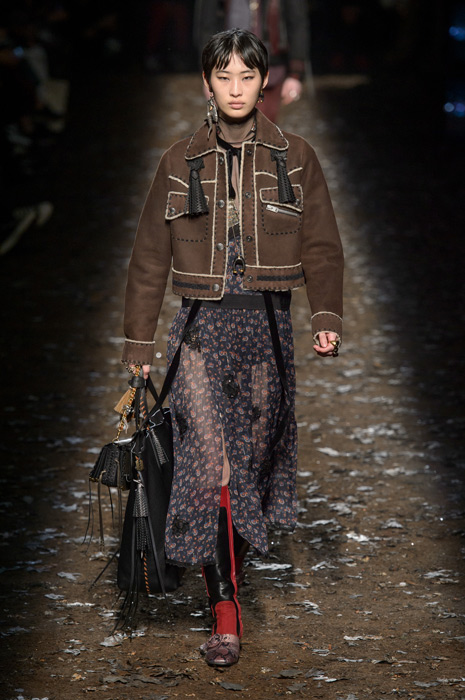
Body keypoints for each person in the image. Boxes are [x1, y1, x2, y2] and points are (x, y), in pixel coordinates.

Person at [122, 28, 343, 667]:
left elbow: (322, 243)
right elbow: (148, 257)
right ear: (208, 82)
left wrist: (326, 315)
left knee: (250, 465)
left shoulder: (296, 157)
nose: (237, 89)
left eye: (247, 76)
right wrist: (138, 341)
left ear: (263, 81)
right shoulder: (179, 160)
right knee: (212, 463)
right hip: (198, 332)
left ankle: (227, 579)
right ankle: (225, 609)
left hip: (267, 330)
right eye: (225, 77)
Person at [194, 0, 310, 122]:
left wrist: (295, 74)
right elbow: (207, 24)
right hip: (226, 67)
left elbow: (297, 23)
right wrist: (208, 71)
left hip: (270, 68)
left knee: (262, 125)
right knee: (232, 126)